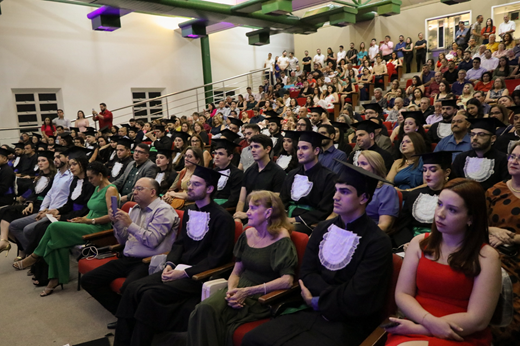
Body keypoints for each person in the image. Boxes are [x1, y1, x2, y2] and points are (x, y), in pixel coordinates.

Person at [242, 161, 393, 346]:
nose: (335, 197)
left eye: (344, 192)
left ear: (363, 198)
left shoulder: (377, 241)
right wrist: (315, 301)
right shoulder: (323, 228)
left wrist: (318, 300)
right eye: (336, 190)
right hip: (308, 311)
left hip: (348, 323)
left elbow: (359, 295)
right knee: (253, 339)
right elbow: (307, 273)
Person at [385, 178, 501, 346]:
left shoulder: (487, 256)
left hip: (461, 334)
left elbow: (478, 320)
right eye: (439, 204)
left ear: (471, 218)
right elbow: (402, 295)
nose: (440, 213)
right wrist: (428, 322)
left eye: (452, 210)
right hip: (416, 323)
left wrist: (421, 329)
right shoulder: (419, 243)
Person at [188, 190, 297, 346]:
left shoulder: (282, 239)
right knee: (202, 310)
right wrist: (232, 291)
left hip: (262, 295)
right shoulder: (247, 234)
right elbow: (236, 271)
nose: (247, 213)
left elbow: (287, 280)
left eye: (253, 208)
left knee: (211, 314)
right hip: (238, 289)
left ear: (268, 212)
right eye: (249, 207)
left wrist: (247, 292)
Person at [81, 177, 179, 323]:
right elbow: (123, 240)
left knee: (129, 287)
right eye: (134, 188)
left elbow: (152, 241)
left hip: (148, 261)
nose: (135, 192)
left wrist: (130, 223)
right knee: (89, 280)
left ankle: (127, 318)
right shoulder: (136, 209)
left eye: (139, 189)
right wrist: (118, 223)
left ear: (153, 192)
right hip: (127, 257)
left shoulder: (163, 211)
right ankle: (124, 314)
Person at [13, 161, 118, 296]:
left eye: (92, 177)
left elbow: (113, 216)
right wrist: (81, 220)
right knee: (57, 242)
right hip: (87, 223)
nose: (89, 180)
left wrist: (89, 220)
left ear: (100, 175)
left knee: (55, 227)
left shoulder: (111, 189)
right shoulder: (97, 188)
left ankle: (35, 256)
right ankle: (55, 279)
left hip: (99, 228)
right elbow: (91, 210)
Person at [486, 142, 520, 345]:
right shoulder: (494, 191)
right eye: (513, 156)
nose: (514, 161)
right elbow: (476, 222)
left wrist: (511, 238)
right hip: (493, 254)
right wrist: (492, 230)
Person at [8, 148, 73, 254]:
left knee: (28, 229)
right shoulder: (58, 175)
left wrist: (49, 211)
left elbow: (67, 200)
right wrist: (42, 210)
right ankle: (34, 253)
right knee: (14, 225)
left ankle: (35, 255)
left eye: (58, 157)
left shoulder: (70, 177)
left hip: (56, 212)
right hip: (46, 210)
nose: (56, 159)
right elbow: (49, 194)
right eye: (54, 157)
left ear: (67, 158)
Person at [279, 131, 336, 234]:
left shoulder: (328, 177)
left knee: (282, 232)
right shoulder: (292, 174)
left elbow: (324, 210)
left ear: (316, 150)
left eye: (304, 148)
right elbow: (283, 200)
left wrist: (296, 219)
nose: (299, 152)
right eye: (298, 148)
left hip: (308, 223)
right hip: (287, 218)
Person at [0, 150, 55, 256]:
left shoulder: (54, 178)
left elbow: (48, 196)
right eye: (39, 161)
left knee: (8, 215)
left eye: (43, 160)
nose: (40, 163)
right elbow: (33, 193)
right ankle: (10, 242)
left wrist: (31, 203)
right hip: (32, 204)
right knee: (3, 212)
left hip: (41, 207)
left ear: (50, 162)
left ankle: (27, 251)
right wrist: (30, 202)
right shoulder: (39, 177)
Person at [393, 151, 453, 247]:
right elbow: (402, 226)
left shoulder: (454, 197)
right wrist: (408, 243)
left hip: (443, 244)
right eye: (424, 170)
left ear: (447, 172)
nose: (427, 174)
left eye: (433, 170)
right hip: (412, 244)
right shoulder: (414, 195)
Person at [233, 134, 286, 223]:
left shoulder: (278, 173)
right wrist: (238, 217)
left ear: (267, 149)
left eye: (256, 147)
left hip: (266, 219)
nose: (253, 150)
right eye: (251, 147)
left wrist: (247, 214)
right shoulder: (249, 171)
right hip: (246, 216)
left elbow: (275, 204)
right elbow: (241, 200)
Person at [451, 118, 510, 191]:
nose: (475, 138)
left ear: (493, 138)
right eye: (472, 134)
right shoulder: (461, 158)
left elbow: (505, 186)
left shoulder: (503, 159)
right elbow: (454, 184)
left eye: (481, 135)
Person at [357, 150, 399, 232]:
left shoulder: (387, 190)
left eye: (363, 164)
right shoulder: (355, 187)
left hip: (370, 233)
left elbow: (384, 225)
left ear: (375, 166)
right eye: (358, 164)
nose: (359, 167)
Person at [211, 139, 244, 209]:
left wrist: (216, 208)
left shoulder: (237, 174)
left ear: (230, 157)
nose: (216, 157)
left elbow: (233, 199)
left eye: (220, 154)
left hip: (225, 209)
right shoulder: (213, 171)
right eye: (215, 153)